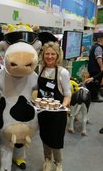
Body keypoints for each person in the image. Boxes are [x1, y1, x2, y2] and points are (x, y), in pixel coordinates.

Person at [37, 42, 71, 171]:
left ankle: (58, 163)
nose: (49, 56)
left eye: (53, 54)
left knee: (56, 139)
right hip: (43, 112)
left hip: (57, 114)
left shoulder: (63, 72)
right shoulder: (40, 69)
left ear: (57, 56)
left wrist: (62, 107)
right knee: (44, 137)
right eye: (47, 53)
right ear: (43, 55)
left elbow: (67, 94)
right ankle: (47, 160)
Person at [87, 34, 103, 100]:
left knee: (94, 81)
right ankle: (94, 97)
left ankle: (94, 95)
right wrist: (102, 67)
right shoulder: (98, 47)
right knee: (95, 82)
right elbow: (98, 57)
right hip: (95, 68)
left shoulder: (94, 45)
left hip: (93, 67)